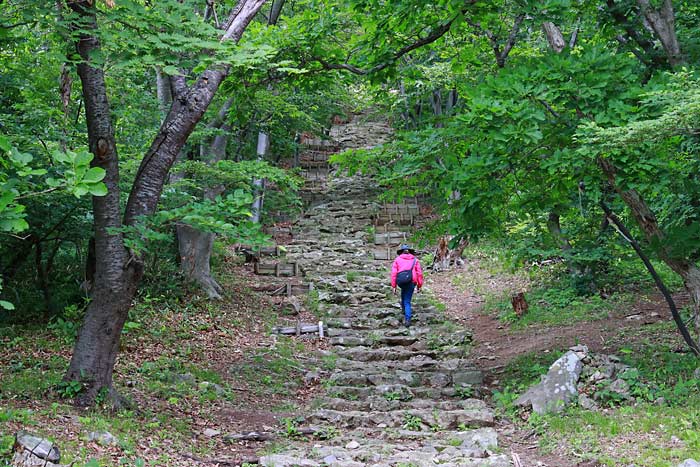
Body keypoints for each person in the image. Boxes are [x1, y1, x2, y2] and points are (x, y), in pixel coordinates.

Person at [391, 244, 424, 328]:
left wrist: (393, 286)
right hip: (411, 281)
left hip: (401, 281)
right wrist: (419, 285)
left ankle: (404, 310)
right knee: (407, 300)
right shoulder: (415, 260)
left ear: (401, 252)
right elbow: (419, 273)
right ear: (410, 252)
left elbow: (394, 273)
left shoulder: (397, 260)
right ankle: (408, 319)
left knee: (404, 294)